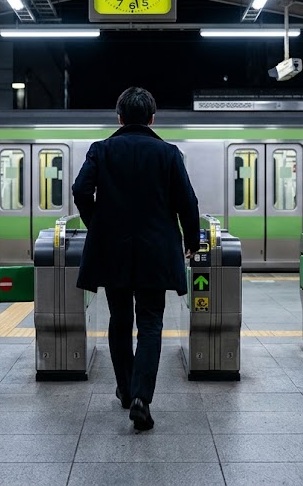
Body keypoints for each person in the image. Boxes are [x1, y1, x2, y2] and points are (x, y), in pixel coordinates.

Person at [73, 87, 199, 431]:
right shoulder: (168, 153)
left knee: (119, 320)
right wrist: (192, 240)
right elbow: (188, 201)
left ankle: (126, 391)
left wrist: (97, 223)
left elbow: (80, 189)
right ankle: (142, 397)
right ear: (152, 118)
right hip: (155, 253)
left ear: (119, 117)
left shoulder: (102, 150)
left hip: (112, 249)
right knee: (150, 323)